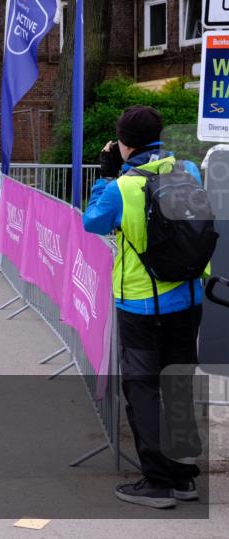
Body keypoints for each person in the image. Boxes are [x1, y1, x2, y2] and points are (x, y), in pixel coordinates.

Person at [83, 105, 204, 509]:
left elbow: (93, 222)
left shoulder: (122, 186)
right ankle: (184, 477)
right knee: (178, 384)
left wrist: (106, 175)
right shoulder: (188, 170)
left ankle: (158, 482)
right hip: (188, 297)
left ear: (123, 143)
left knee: (143, 389)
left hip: (141, 303)